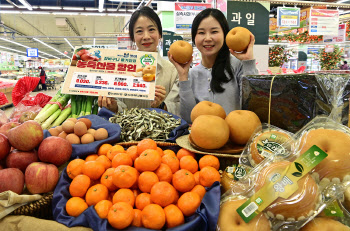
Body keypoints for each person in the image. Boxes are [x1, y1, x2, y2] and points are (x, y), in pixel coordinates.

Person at [168, 8, 258, 123]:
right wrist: (183, 76)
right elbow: (188, 118)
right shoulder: (191, 74)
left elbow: (254, 106)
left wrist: (248, 62)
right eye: (201, 33)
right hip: (202, 138)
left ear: (225, 34)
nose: (207, 38)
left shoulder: (237, 66)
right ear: (194, 38)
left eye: (214, 32)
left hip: (233, 138)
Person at [98, 6, 179, 115]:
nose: (146, 36)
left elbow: (179, 107)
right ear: (133, 36)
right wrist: (113, 106)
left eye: (151, 30)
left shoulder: (172, 70)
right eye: (139, 31)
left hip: (163, 131)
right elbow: (119, 104)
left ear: (160, 33)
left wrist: (162, 105)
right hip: (127, 130)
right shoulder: (121, 68)